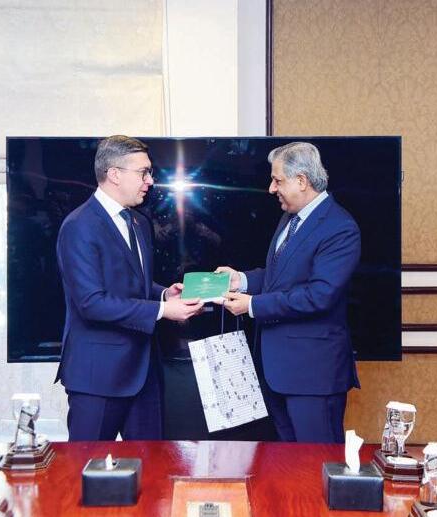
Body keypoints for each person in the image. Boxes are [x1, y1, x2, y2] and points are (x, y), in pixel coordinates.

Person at [56, 135, 203, 441]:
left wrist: (164, 293)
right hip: (98, 376)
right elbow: (91, 303)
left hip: (144, 370)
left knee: (151, 463)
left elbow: (133, 283)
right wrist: (163, 310)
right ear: (114, 174)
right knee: (88, 464)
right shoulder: (79, 226)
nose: (150, 181)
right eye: (143, 172)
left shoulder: (138, 222)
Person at [216, 142, 361, 443]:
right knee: (287, 462)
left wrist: (253, 305)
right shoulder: (290, 217)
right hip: (278, 371)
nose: (271, 189)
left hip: (313, 376)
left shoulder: (339, 227)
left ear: (302, 181)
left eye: (277, 180)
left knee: (316, 461)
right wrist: (241, 280)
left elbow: (319, 295)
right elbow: (282, 277)